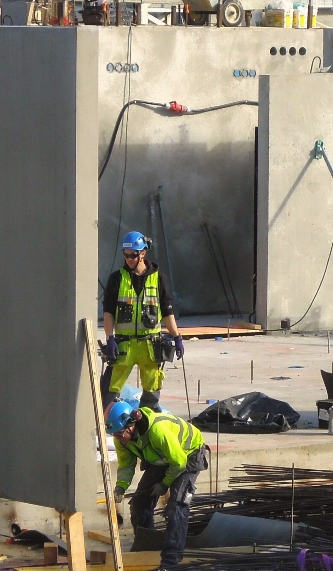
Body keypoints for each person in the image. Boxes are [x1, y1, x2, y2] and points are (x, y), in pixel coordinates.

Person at [105, 400, 208, 571]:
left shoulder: (157, 431)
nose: (118, 438)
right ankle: (147, 548)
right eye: (114, 435)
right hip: (163, 458)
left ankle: (170, 562)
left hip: (188, 456)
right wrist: (120, 487)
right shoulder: (121, 438)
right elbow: (126, 465)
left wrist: (164, 484)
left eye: (120, 433)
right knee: (139, 502)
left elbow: (179, 463)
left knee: (177, 506)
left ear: (131, 425)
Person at [102, 231, 184, 411]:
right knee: (111, 392)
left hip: (150, 346)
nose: (129, 259)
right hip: (124, 346)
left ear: (143, 253)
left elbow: (167, 311)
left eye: (133, 255)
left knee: (152, 393)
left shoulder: (159, 278)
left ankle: (146, 428)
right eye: (126, 255)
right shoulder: (117, 278)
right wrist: (110, 338)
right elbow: (108, 311)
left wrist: (176, 337)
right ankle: (110, 426)